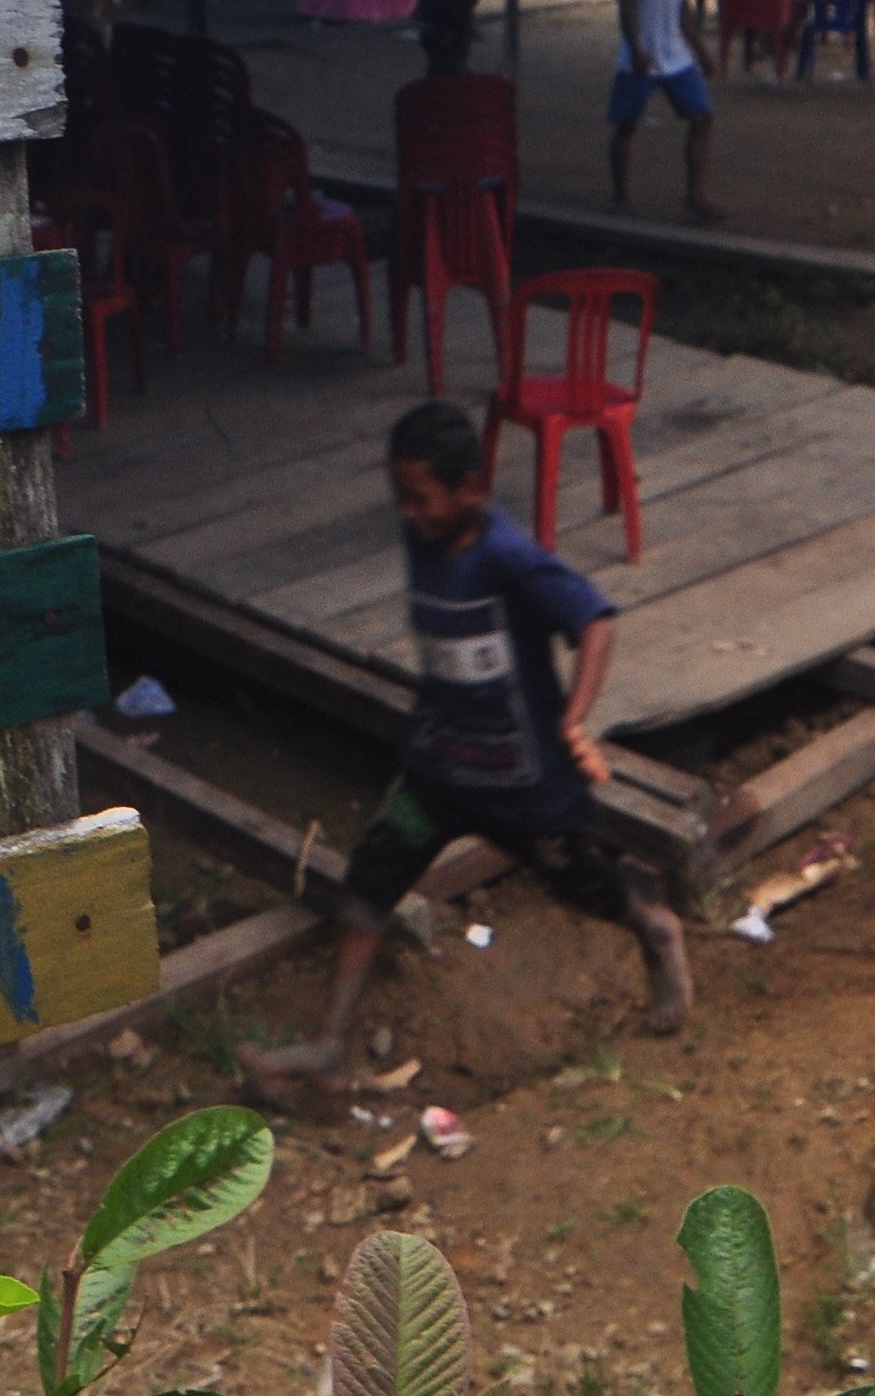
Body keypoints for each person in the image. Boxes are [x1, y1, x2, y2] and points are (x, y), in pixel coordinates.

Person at [242, 404, 691, 1079]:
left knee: (579, 882)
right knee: (368, 885)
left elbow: (595, 619)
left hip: (523, 785)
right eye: (399, 497)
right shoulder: (423, 540)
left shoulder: (508, 559)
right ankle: (329, 1042)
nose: (407, 513)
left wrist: (574, 718)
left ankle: (654, 927)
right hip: (439, 770)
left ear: (470, 491)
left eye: (420, 499)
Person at [610, 0, 718, 221]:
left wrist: (701, 50)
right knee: (627, 126)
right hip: (640, 54)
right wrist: (636, 48)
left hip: (675, 54)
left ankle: (695, 195)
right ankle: (621, 195)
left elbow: (683, 9)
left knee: (702, 118)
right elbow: (627, 7)